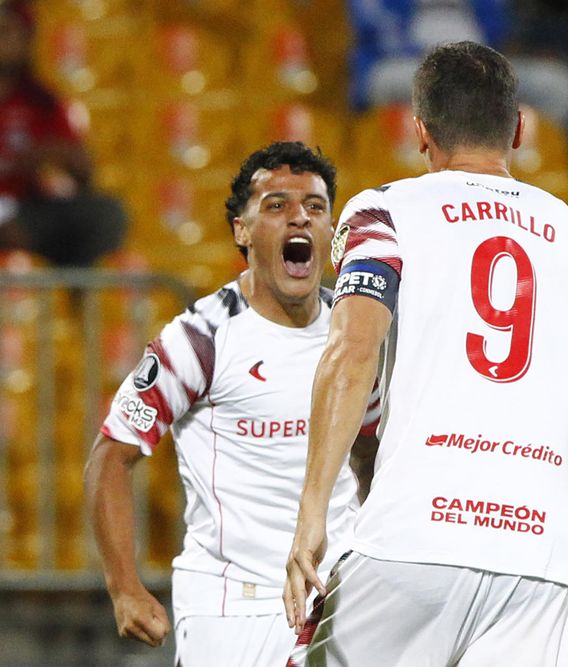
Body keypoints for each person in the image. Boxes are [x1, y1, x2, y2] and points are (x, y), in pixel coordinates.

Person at [284, 41, 568, 666]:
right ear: (516, 129)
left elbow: (352, 352)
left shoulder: (385, 213)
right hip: (539, 565)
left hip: (412, 541)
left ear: (421, 131)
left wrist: (313, 512)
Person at [84, 142, 378, 666]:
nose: (300, 219)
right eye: (276, 205)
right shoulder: (201, 337)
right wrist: (124, 586)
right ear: (242, 231)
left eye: (315, 207)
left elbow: (370, 453)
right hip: (232, 610)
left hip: (339, 606)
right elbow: (111, 454)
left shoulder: (354, 335)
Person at [0, 0, 126, 266]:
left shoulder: (42, 102)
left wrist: (58, 156)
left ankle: (76, 298)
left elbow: (83, 173)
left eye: (9, 31)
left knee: (105, 213)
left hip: (25, 209)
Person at [348, 0, 568, 128]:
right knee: (387, 81)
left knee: (556, 86)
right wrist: (439, 60)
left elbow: (500, 36)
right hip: (412, 65)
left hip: (480, 66)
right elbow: (377, 30)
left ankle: (515, 168)